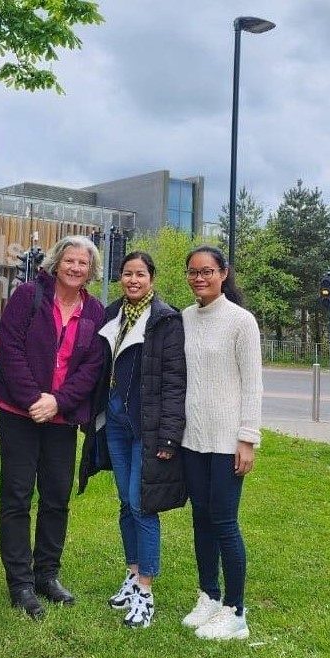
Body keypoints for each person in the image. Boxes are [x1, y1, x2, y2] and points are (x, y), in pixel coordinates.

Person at [0, 235, 104, 619]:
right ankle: (20, 582)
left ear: (91, 271)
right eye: (70, 261)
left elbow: (92, 367)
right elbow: (11, 349)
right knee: (17, 496)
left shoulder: (95, 311)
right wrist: (33, 400)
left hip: (62, 417)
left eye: (84, 264)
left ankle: (47, 574)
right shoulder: (28, 296)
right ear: (57, 263)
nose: (76, 268)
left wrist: (58, 401)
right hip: (18, 413)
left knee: (57, 496)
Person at [79, 251, 187, 628]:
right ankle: (131, 573)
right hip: (116, 423)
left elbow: (175, 381)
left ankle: (146, 589)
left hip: (149, 426)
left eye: (140, 274)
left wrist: (171, 435)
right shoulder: (112, 314)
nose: (133, 280)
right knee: (126, 501)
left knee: (143, 503)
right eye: (127, 274)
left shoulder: (166, 320)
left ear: (152, 278)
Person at [180, 245, 262, 640]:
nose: (200, 277)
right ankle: (209, 595)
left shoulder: (241, 322)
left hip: (228, 440)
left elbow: (253, 385)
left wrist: (247, 439)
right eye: (193, 272)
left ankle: (236, 610)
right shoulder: (185, 318)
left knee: (224, 522)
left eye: (207, 271)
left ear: (223, 273)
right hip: (193, 439)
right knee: (200, 518)